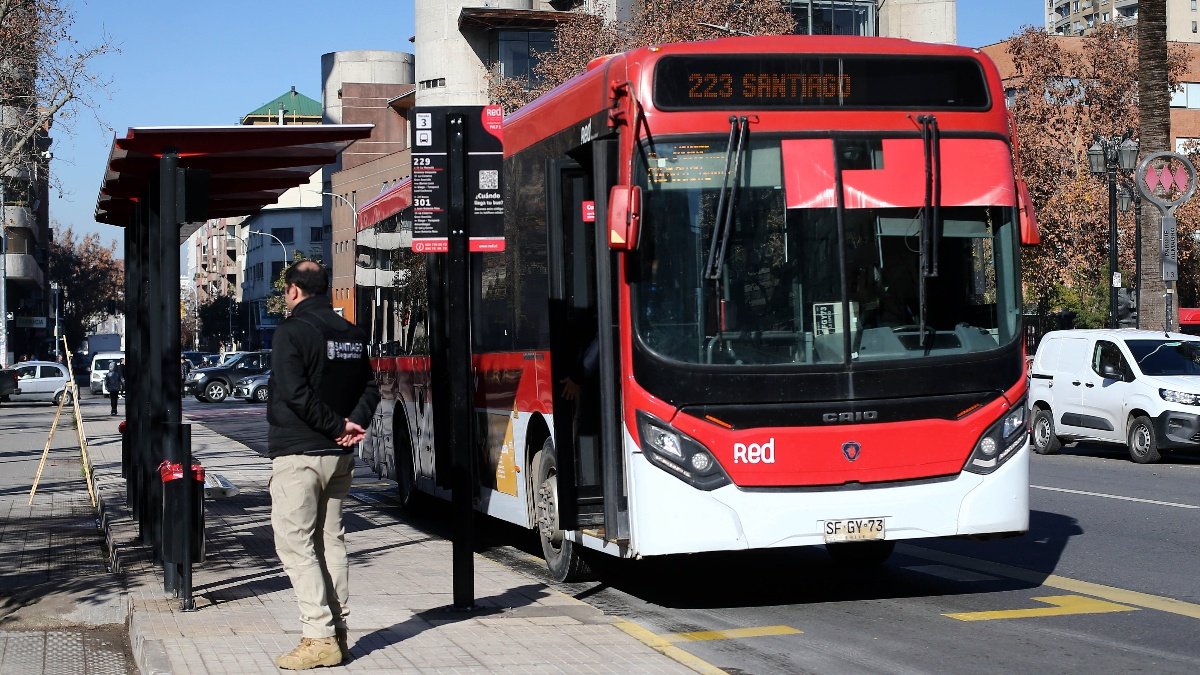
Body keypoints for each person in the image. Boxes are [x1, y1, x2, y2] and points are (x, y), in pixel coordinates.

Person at [268, 261, 379, 670]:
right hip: (339, 457)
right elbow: (371, 386)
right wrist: (354, 424)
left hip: (300, 454)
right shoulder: (349, 333)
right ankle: (339, 631)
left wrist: (336, 426)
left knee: (295, 544)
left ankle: (318, 635)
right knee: (330, 540)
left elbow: (294, 393)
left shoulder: (291, 332)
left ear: (295, 291)